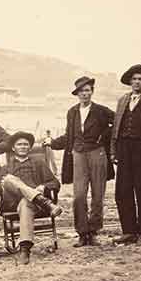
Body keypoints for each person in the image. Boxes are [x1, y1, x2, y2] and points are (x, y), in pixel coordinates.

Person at [47, 76, 114, 247]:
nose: (85, 94)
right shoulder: (72, 112)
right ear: (77, 94)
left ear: (92, 92)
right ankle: (82, 233)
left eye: (88, 90)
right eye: (81, 91)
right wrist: (52, 143)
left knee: (98, 195)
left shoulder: (101, 110)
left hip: (97, 153)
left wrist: (103, 137)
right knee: (79, 196)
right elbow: (70, 135)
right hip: (78, 155)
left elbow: (117, 124)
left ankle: (93, 232)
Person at [0, 132, 62, 264]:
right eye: (19, 144)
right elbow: (1, 187)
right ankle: (43, 200)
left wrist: (43, 187)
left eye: (25, 144)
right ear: (13, 148)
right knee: (8, 179)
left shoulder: (39, 163)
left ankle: (24, 250)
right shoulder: (6, 167)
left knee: (25, 202)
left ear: (29, 148)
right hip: (13, 203)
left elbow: (55, 183)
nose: (23, 147)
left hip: (33, 206)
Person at [110, 64, 141, 246]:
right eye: (134, 79)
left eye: (140, 79)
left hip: (140, 147)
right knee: (122, 190)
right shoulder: (122, 100)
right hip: (123, 148)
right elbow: (116, 127)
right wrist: (114, 151)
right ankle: (128, 231)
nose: (137, 82)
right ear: (130, 81)